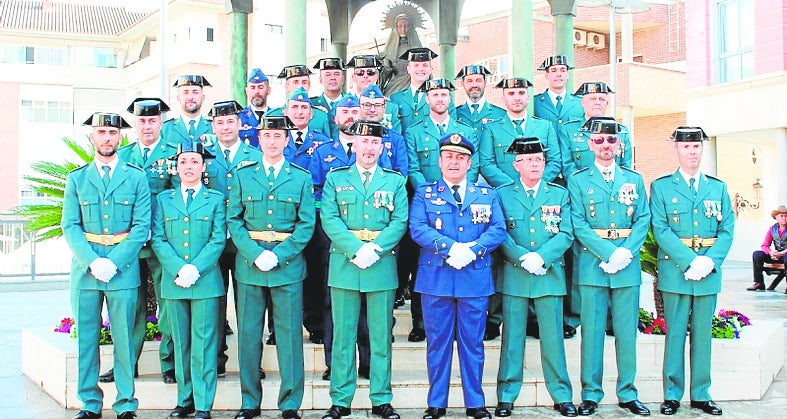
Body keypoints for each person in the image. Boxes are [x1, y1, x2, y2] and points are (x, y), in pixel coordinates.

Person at [410, 133, 506, 419]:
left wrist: (474, 249)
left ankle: (475, 403)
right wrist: (450, 248)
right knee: (437, 343)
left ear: (469, 163)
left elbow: (498, 229)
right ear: (440, 161)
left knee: (472, 344)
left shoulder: (486, 195)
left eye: (461, 157)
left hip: (473, 279)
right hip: (437, 279)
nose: (455, 162)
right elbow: (417, 228)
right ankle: (436, 403)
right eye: (449, 156)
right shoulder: (425, 194)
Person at [62, 112, 150, 419]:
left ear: (120, 137)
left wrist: (114, 262)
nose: (107, 138)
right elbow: (70, 226)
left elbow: (141, 227)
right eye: (101, 132)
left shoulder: (136, 177)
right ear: (92, 137)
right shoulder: (77, 178)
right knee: (87, 338)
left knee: (125, 339)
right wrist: (93, 261)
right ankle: (89, 403)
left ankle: (126, 403)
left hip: (122, 269)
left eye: (113, 132)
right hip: (86, 271)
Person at [227, 116, 316, 419]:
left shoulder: (301, 177)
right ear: (259, 139)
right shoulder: (242, 176)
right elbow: (234, 221)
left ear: (287, 140)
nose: (273, 141)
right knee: (249, 336)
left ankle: (290, 403)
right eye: (267, 135)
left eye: (279, 135)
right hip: (250, 267)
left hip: (286, 267)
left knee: (290, 336)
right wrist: (254, 253)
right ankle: (249, 402)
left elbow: (306, 225)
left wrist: (280, 254)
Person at [319, 120, 408, 419]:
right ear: (353, 145)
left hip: (380, 265)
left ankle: (381, 397)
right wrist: (356, 248)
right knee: (343, 336)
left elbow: (399, 222)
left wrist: (376, 249)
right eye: (364, 142)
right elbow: (329, 218)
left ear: (382, 147)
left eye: (374, 143)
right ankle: (341, 399)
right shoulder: (336, 178)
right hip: (346, 263)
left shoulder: (394, 181)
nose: (369, 148)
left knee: (380, 335)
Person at [567, 118, 651, 416]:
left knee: (627, 332)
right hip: (593, 264)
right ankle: (591, 393)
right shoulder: (578, 179)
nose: (605, 146)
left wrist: (625, 253)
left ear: (619, 145)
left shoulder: (634, 179)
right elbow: (577, 221)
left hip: (626, 266)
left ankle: (628, 392)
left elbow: (643, 218)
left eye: (611, 141)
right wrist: (607, 252)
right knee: (591, 332)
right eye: (599, 141)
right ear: (590, 144)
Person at [650, 126, 734, 416]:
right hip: (676, 272)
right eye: (686, 147)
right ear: (677, 150)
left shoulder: (717, 187)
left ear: (701, 150)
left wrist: (709, 261)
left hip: (708, 272)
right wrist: (689, 261)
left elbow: (726, 229)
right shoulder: (661, 187)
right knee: (674, 334)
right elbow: (660, 228)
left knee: (702, 336)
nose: (692, 152)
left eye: (696, 147)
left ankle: (701, 394)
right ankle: (672, 394)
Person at [309, 95, 392, 381]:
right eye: (345, 111)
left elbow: (395, 204)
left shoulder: (383, 156)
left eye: (355, 110)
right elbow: (320, 199)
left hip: (377, 248)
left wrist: (373, 248)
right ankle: (335, 362)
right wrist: (351, 245)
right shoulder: (324, 152)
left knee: (371, 310)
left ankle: (368, 362)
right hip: (335, 241)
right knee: (335, 304)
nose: (368, 147)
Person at [98, 98, 178, 386]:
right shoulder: (124, 155)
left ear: (160, 123)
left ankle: (169, 364)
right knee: (130, 306)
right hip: (128, 243)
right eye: (142, 121)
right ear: (134, 124)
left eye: (152, 120)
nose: (147, 126)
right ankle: (125, 364)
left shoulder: (174, 155)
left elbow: (179, 199)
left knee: (168, 304)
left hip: (164, 242)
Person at [494, 138, 576, 418]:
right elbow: (499, 232)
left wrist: (542, 257)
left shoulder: (558, 194)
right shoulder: (503, 194)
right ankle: (506, 395)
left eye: (539, 160)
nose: (534, 165)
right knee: (512, 338)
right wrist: (521, 257)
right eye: (528, 160)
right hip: (515, 275)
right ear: (516, 165)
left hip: (548, 274)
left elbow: (566, 233)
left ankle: (561, 395)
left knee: (553, 339)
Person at [151, 141, 226, 419]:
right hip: (175, 282)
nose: (189, 167)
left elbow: (218, 238)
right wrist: (178, 269)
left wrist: (195, 268)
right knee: (180, 342)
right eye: (183, 162)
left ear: (203, 166)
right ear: (176, 167)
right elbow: (158, 238)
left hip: (205, 282)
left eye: (194, 161)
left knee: (204, 344)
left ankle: (204, 403)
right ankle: (185, 400)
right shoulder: (164, 200)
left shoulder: (216, 199)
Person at [403, 79, 477, 342]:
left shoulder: (465, 129)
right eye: (435, 94)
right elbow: (412, 167)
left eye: (444, 94)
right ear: (427, 98)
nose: (440, 99)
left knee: (461, 256)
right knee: (423, 262)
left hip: (462, 204)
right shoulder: (414, 131)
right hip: (428, 203)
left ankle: (459, 320)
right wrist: (432, 195)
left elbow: (473, 166)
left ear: (449, 97)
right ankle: (420, 322)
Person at [203, 100, 265, 377]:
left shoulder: (254, 155)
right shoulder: (202, 156)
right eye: (220, 122)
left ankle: (251, 364)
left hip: (245, 241)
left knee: (249, 307)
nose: (225, 126)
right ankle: (216, 360)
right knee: (214, 304)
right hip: (212, 241)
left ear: (240, 124)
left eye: (230, 121)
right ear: (213, 126)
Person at [480, 78, 561, 188]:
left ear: (528, 98)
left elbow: (554, 162)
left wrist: (535, 183)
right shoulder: (491, 128)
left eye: (521, 93)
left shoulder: (545, 126)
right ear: (503, 99)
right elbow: (487, 164)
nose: (517, 98)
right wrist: (512, 186)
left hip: (540, 192)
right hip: (505, 194)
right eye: (511, 94)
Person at [559, 82, 632, 176]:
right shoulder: (569, 130)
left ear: (607, 103)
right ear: (583, 103)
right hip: (581, 188)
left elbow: (625, 168)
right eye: (593, 99)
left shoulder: (621, 131)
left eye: (601, 99)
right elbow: (567, 166)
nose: (597, 102)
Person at [359, 84, 408, 177]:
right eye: (367, 105)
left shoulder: (396, 139)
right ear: (360, 107)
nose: (372, 109)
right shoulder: (352, 136)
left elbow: (401, 175)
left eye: (377, 105)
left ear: (384, 108)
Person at [268, 65, 331, 136]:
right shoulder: (273, 116)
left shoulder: (320, 116)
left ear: (309, 86)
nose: (300, 86)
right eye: (296, 82)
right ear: (287, 86)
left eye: (304, 82)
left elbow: (327, 144)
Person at [346, 54, 402, 134]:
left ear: (376, 76)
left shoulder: (391, 107)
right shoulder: (345, 106)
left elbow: (396, 138)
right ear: (353, 77)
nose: (365, 76)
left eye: (370, 72)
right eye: (360, 73)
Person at [389, 47, 441, 130]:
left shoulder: (441, 99)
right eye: (416, 65)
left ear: (431, 69)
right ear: (408, 69)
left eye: (425, 65)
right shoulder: (396, 99)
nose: (420, 69)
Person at [533, 56, 583, 135]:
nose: (559, 74)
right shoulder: (535, 103)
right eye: (554, 71)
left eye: (563, 70)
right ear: (546, 75)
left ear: (567, 75)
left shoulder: (580, 103)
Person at [454, 65, 506, 135]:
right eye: (469, 81)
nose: (474, 85)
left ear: (485, 82)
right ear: (462, 84)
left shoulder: (501, 115)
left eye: (478, 80)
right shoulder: (454, 115)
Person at [161, 75, 213, 145]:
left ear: (202, 98)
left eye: (195, 92)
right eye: (185, 92)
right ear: (178, 98)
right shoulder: (166, 129)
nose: (190, 97)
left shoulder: (214, 127)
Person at [380, 13, 424, 95]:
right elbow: (386, 70)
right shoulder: (390, 48)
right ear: (396, 28)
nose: (403, 29)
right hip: (395, 84)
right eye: (400, 26)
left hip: (413, 82)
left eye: (406, 26)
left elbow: (425, 66)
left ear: (410, 27)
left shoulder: (417, 47)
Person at [748, 205, 787, 291]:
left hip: (785, 255)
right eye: (782, 216)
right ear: (776, 217)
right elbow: (764, 245)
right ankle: (759, 283)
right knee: (757, 254)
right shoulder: (772, 229)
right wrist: (771, 253)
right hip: (776, 256)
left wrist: (781, 253)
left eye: (786, 216)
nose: (784, 218)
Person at [311, 57, 345, 138]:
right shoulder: (311, 105)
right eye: (328, 75)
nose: (332, 78)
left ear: (343, 79)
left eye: (336, 74)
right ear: (320, 80)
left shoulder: (352, 105)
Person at [238, 68, 272, 147]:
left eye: (260, 87)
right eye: (252, 87)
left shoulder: (276, 115)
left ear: (268, 90)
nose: (256, 92)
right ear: (247, 91)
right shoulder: (239, 117)